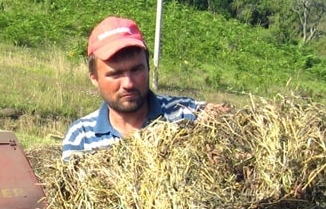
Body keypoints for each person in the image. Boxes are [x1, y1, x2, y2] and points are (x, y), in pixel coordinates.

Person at [62, 16, 216, 161]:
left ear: (148, 68)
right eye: (116, 74)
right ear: (94, 79)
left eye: (136, 70)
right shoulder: (81, 137)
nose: (128, 83)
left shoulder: (186, 114)